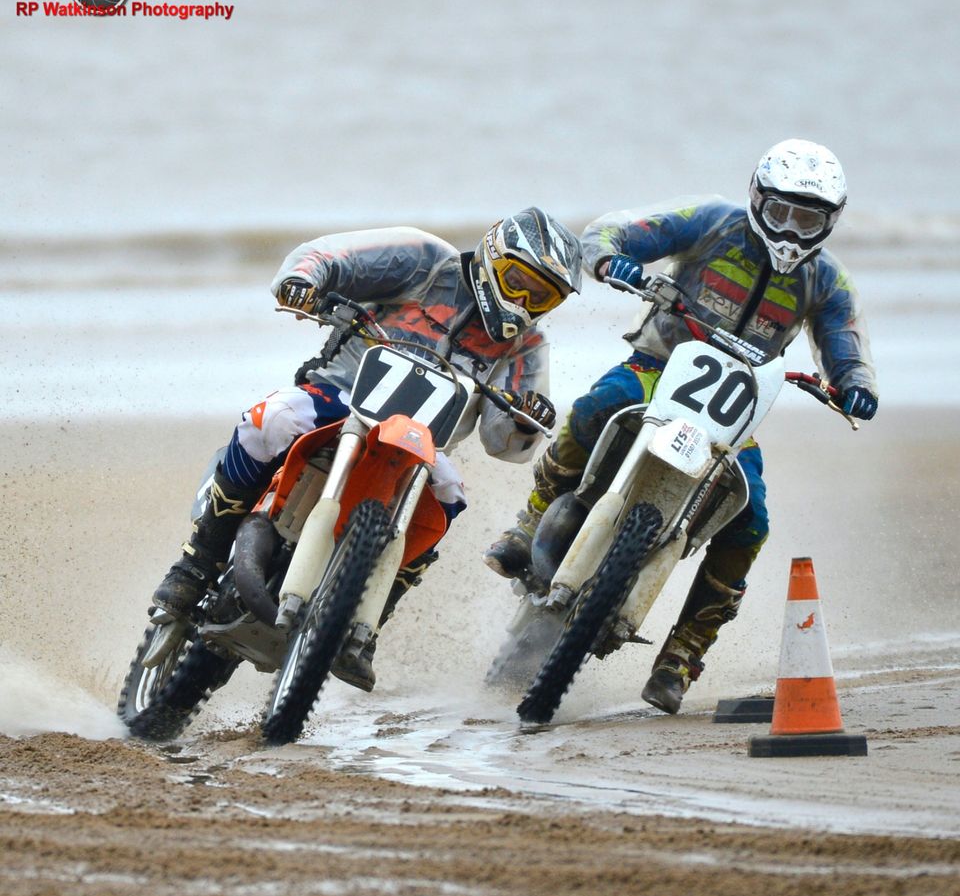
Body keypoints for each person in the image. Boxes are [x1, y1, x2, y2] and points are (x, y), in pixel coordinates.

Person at [484, 140, 878, 714]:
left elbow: (844, 340)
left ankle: (682, 655)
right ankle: (531, 520)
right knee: (597, 406)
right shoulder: (711, 222)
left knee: (752, 517)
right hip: (655, 367)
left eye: (808, 218)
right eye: (782, 212)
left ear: (829, 222)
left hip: (732, 411)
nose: (792, 229)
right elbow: (611, 232)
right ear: (757, 199)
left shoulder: (827, 281)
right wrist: (608, 259)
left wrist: (855, 383)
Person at [152, 208, 582, 690]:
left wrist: (527, 416)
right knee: (269, 421)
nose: (524, 301)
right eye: (519, 281)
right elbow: (327, 257)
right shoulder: (423, 260)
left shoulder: (526, 344)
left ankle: (366, 624)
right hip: (339, 396)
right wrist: (302, 281)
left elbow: (504, 442)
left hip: (418, 447)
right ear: (493, 255)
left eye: (543, 295)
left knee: (451, 492)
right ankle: (196, 562)